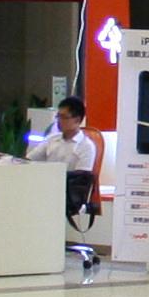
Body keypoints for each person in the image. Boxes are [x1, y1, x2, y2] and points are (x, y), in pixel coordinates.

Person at [21, 97, 103, 252]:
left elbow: (82, 179)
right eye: (58, 116)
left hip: (69, 194)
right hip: (46, 188)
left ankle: (46, 246)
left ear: (77, 120)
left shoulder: (86, 146)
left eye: (64, 117)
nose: (59, 121)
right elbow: (29, 160)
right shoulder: (51, 140)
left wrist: (56, 179)